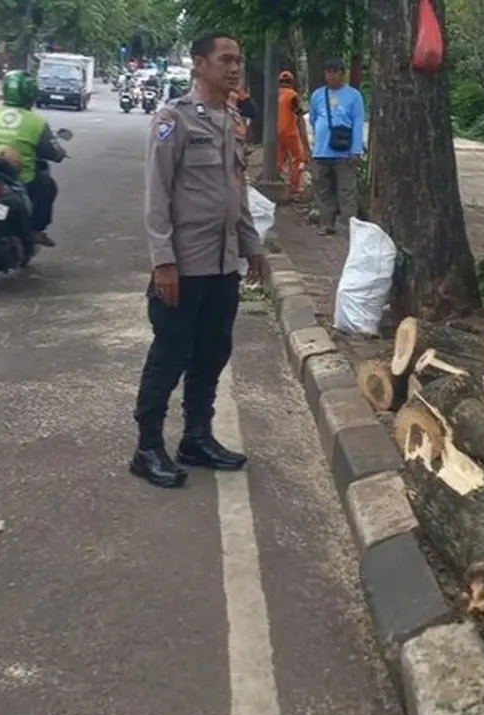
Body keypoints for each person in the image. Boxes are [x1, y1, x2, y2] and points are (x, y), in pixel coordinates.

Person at [131, 30, 267, 489]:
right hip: (184, 265)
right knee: (169, 354)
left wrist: (252, 246)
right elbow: (157, 196)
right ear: (198, 64)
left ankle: (196, 437)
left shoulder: (229, 119)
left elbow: (237, 192)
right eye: (225, 59)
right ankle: (147, 447)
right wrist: (163, 262)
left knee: (212, 352)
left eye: (239, 60)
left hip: (223, 264)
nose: (234, 68)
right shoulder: (173, 119)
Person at [0, 70, 66, 247]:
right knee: (46, 185)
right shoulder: (37, 123)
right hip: (20, 179)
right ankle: (36, 230)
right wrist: (59, 154)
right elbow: (51, 151)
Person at [307, 57, 365, 235]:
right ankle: (326, 224)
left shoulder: (354, 96)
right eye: (329, 72)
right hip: (322, 151)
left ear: (342, 73)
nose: (332, 75)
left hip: (345, 152)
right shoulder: (318, 95)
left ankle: (350, 226)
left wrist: (356, 150)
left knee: (346, 190)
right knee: (323, 189)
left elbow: (357, 123)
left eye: (336, 71)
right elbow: (313, 118)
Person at [275, 69, 311, 197]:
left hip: (276, 132)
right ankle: (294, 187)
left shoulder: (274, 95)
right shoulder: (292, 95)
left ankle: (276, 183)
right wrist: (305, 141)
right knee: (299, 158)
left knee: (278, 160)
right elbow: (299, 115)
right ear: (292, 82)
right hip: (289, 132)